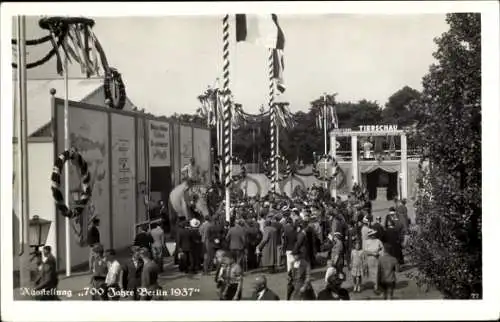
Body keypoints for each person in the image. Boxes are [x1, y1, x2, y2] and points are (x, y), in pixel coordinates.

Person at [363, 229, 384, 294]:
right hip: (369, 259)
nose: (372, 236)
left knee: (376, 272)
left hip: (377, 259)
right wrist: (372, 253)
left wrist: (379, 253)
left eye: (373, 235)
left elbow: (382, 248)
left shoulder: (378, 241)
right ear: (369, 235)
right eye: (371, 235)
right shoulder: (366, 242)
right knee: (370, 273)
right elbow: (365, 251)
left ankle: (376, 287)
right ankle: (373, 284)